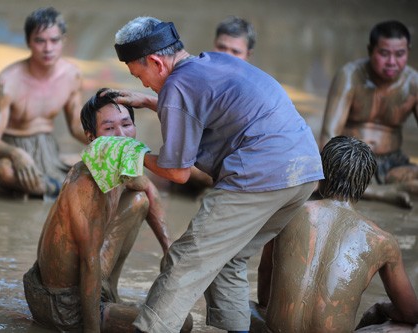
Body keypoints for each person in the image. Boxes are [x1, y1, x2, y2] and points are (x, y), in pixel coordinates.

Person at [111, 16, 324, 333]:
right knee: (229, 259)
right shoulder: (213, 62)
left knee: (185, 259)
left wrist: (132, 152)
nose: (141, 83)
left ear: (155, 61)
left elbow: (178, 173)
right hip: (304, 171)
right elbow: (209, 105)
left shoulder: (176, 87)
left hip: (261, 173)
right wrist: (152, 101)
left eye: (138, 74)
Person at [23, 88, 193, 332]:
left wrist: (169, 251)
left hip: (87, 281)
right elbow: (89, 262)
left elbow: (149, 191)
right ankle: (101, 313)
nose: (122, 136)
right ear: (92, 138)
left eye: (126, 125)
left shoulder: (118, 162)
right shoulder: (83, 184)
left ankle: (109, 295)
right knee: (180, 324)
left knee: (139, 200)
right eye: (109, 129)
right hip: (62, 303)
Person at [252, 136, 418, 332]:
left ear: (321, 174)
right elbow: (411, 313)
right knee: (408, 328)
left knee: (243, 308)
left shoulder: (287, 212)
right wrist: (381, 308)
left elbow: (264, 281)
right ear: (364, 186)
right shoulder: (382, 241)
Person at [0, 7, 88, 198]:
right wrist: (16, 154)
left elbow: (76, 126)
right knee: (3, 172)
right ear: (28, 42)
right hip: (13, 150)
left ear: (63, 41)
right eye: (40, 41)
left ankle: (48, 187)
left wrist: (105, 143)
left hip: (50, 153)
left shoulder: (72, 75)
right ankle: (55, 188)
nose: (48, 48)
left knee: (101, 160)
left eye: (54, 40)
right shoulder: (7, 82)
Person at [319, 20, 418, 209]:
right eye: (384, 53)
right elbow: (328, 137)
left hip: (392, 166)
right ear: (370, 50)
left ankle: (377, 189)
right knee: (313, 177)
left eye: (399, 54)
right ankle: (381, 193)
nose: (392, 62)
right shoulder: (350, 76)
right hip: (351, 162)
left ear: (408, 52)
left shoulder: (413, 84)